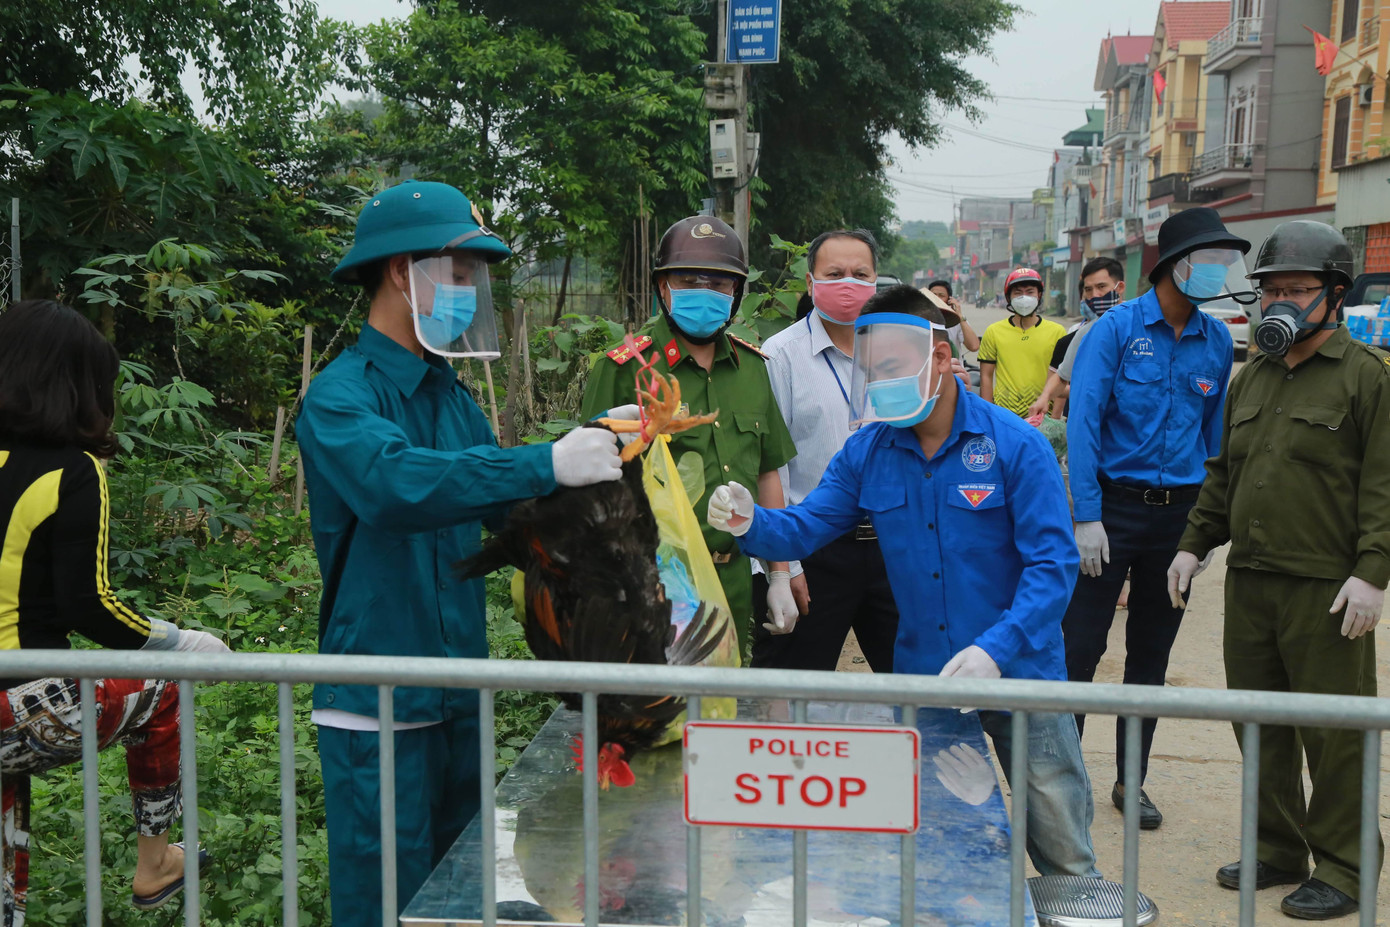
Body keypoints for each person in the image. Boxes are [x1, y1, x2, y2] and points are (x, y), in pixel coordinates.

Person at [297, 181, 628, 925]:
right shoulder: (340, 396)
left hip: (458, 690)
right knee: (386, 899)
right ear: (398, 269)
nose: (467, 290)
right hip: (380, 701)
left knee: (457, 897)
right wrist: (546, 462)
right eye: (456, 272)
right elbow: (395, 485)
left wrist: (613, 473)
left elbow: (510, 511)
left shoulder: (451, 396)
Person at [706, 284, 1101, 880]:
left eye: (893, 368)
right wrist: (747, 521)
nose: (879, 384)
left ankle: (1074, 908)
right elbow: (804, 528)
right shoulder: (868, 451)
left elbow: (1052, 566)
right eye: (872, 371)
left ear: (941, 357)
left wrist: (997, 650)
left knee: (1060, 836)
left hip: (1022, 673)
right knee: (944, 834)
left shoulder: (1013, 446)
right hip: (928, 680)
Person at [1170, 221, 1388, 920]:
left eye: (1296, 289)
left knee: (1333, 733)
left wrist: (1373, 572)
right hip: (1254, 581)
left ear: (1333, 295)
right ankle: (1277, 845)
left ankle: (1348, 867)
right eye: (1270, 291)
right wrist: (1194, 541)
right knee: (1258, 723)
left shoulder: (1367, 378)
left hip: (1327, 587)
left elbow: (1385, 485)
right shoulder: (1253, 377)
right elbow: (1224, 474)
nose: (1280, 303)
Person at [0, 299, 229, 918]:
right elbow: (88, 604)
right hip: (12, 704)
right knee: (160, 685)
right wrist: (176, 642)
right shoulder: (72, 471)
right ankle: (156, 863)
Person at [1064, 207, 1246, 831]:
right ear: (1174, 264)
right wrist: (1085, 516)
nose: (1219, 271)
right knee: (1079, 649)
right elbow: (1084, 424)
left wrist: (1206, 527)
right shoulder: (1113, 331)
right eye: (1211, 258)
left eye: (1226, 259)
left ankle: (1130, 781)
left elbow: (1214, 438)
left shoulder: (1217, 341)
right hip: (1112, 512)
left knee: (1151, 655)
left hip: (1177, 520)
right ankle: (1064, 783)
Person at [580, 216, 796, 653]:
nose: (704, 289)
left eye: (719, 282)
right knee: (656, 714)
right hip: (652, 584)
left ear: (736, 294)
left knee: (723, 712)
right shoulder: (624, 369)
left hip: (734, 579)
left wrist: (779, 575)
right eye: (688, 278)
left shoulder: (752, 369)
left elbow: (769, 472)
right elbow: (589, 484)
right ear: (663, 287)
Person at [755, 228, 898, 671]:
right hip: (815, 551)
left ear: (877, 281)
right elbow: (771, 466)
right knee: (790, 694)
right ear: (811, 283)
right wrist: (784, 566)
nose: (848, 284)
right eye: (834, 273)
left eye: (860, 273)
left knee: (923, 693)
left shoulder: (902, 350)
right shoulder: (780, 356)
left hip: (896, 546)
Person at [1027, 257, 1127, 420]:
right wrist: (1044, 397)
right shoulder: (1084, 334)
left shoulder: (1141, 324)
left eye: (1101, 287)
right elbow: (1061, 377)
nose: (1095, 295)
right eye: (1088, 290)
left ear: (1120, 287)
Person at [978, 267, 1066, 416]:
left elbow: (1063, 378)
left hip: (1043, 415)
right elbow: (986, 376)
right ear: (1008, 298)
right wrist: (988, 415)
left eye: (1030, 292)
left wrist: (1055, 418)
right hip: (1005, 416)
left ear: (1039, 295)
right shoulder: (993, 332)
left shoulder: (1058, 332)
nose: (1024, 297)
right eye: (1018, 293)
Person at [926, 279, 980, 357]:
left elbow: (974, 346)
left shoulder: (957, 320)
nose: (936, 298)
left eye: (941, 295)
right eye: (933, 295)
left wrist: (960, 315)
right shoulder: (919, 317)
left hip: (952, 368)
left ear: (949, 300)